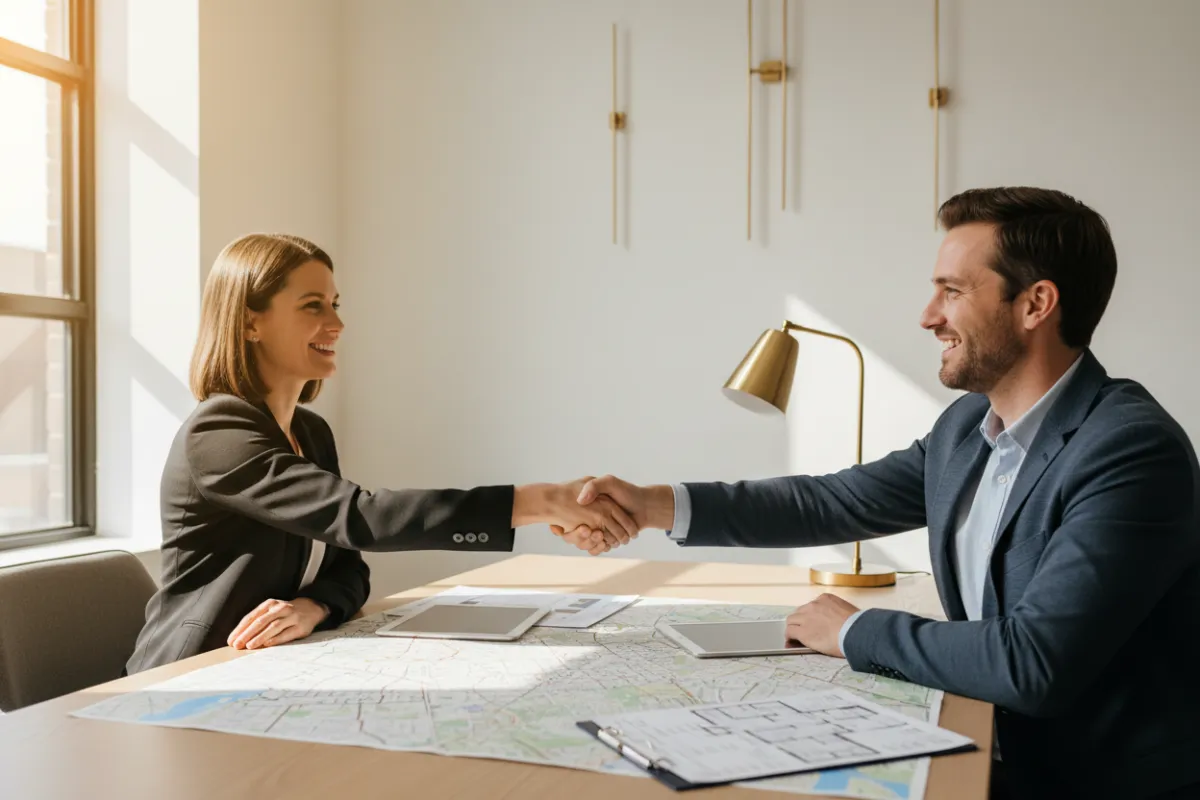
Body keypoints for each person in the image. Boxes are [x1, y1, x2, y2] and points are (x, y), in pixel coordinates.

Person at [564, 188, 1200, 799]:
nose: (928, 316)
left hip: (1087, 781)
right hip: (986, 749)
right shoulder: (964, 430)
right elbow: (833, 502)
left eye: (952, 291)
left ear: (1036, 304)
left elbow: (1031, 663)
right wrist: (651, 505)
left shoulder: (1130, 450)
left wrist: (854, 629)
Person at [126, 234, 634, 674]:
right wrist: (542, 501)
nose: (336, 324)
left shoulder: (310, 431)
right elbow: (362, 517)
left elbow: (350, 569)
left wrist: (313, 607)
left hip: (274, 664)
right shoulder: (218, 432)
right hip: (193, 671)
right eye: (312, 306)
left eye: (335, 304)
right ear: (250, 323)